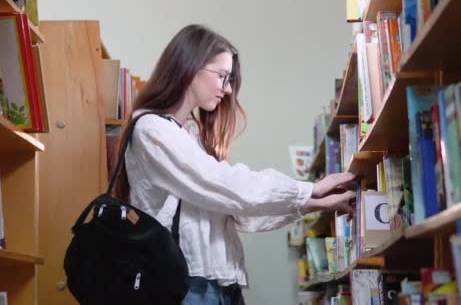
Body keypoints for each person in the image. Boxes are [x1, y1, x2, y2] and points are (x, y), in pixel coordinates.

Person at [112, 24, 356, 305]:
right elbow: (224, 185)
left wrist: (313, 202)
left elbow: (233, 208)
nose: (227, 89)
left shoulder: (189, 134)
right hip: (185, 284)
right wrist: (308, 190)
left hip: (216, 285)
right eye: (222, 76)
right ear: (191, 67)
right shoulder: (153, 130)